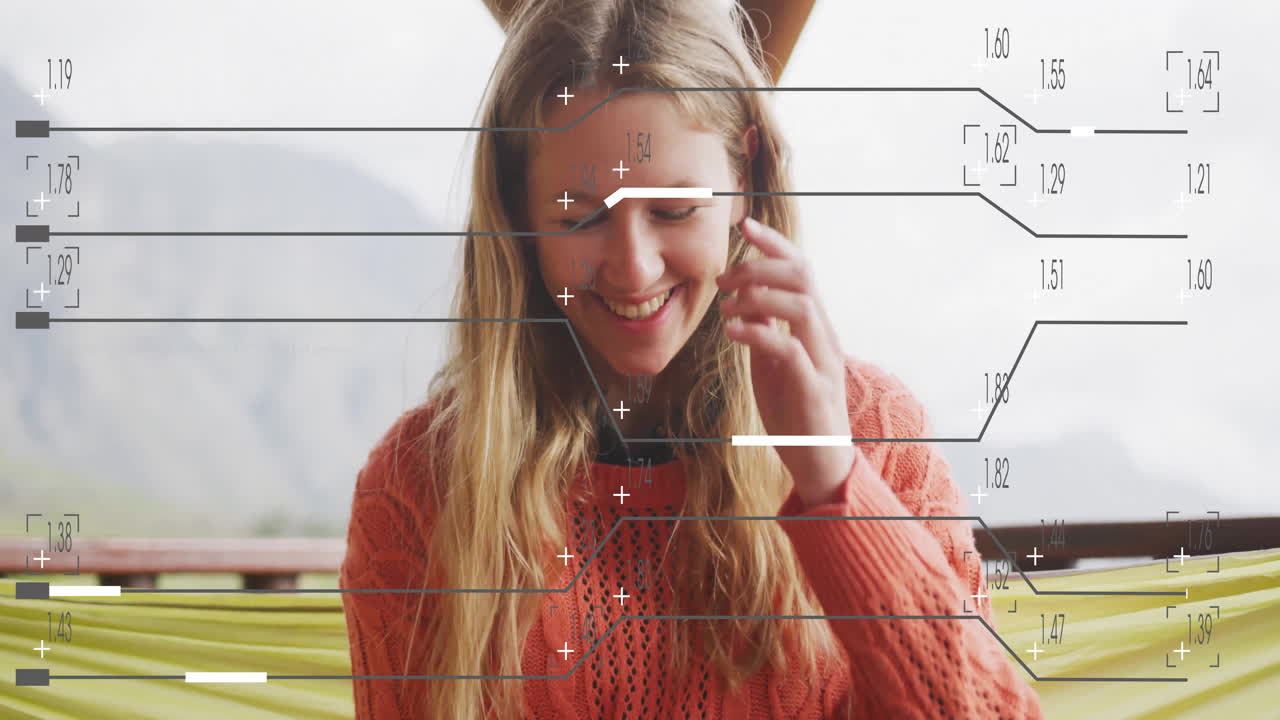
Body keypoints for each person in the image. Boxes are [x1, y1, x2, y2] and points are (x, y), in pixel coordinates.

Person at [340, 1, 1045, 717]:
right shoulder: (417, 488)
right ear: (519, 216)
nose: (635, 268)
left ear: (748, 181)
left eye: (674, 210)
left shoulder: (875, 436)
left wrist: (834, 482)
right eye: (580, 217)